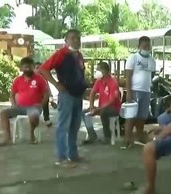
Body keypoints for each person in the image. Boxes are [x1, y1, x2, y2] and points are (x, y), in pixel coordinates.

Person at [39, 29, 87, 167]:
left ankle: (73, 155)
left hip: (78, 94)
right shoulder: (61, 54)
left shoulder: (78, 55)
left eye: (78, 38)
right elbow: (43, 69)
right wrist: (56, 84)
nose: (76, 40)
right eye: (72, 38)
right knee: (63, 126)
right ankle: (61, 158)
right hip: (66, 94)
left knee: (75, 125)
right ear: (66, 40)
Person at [0, 57, 49, 148]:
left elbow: (46, 94)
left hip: (34, 107)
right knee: (3, 113)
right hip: (20, 107)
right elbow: (12, 95)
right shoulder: (17, 80)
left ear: (33, 67)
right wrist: (14, 105)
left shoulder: (40, 79)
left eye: (30, 67)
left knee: (33, 114)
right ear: (21, 68)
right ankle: (8, 139)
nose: (28, 69)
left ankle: (32, 135)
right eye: (25, 67)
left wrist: (41, 105)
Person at [121, 36, 157, 149]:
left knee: (142, 117)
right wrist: (129, 92)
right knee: (131, 116)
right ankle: (127, 139)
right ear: (139, 46)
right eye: (144, 46)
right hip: (134, 91)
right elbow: (128, 75)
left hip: (146, 91)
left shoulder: (152, 60)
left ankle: (140, 136)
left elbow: (151, 75)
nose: (146, 48)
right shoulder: (133, 58)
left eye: (148, 46)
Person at [82, 62, 121, 144]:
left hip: (114, 108)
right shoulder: (99, 81)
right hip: (101, 107)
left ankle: (107, 137)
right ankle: (92, 135)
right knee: (84, 112)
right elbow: (92, 93)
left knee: (104, 113)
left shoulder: (113, 82)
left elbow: (112, 101)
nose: (97, 71)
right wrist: (91, 106)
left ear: (105, 70)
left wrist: (99, 109)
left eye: (98, 69)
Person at [34, 62, 56, 127]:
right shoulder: (31, 78)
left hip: (43, 96)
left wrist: (51, 99)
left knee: (45, 102)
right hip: (33, 97)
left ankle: (47, 119)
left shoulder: (44, 79)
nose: (39, 70)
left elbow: (48, 89)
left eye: (41, 68)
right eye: (37, 68)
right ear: (33, 69)